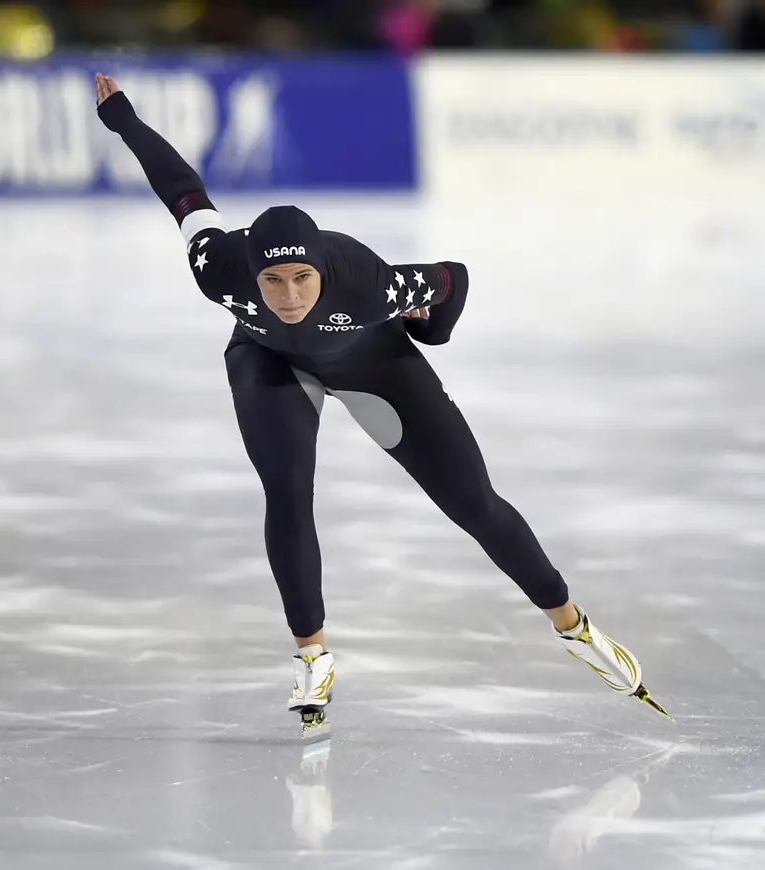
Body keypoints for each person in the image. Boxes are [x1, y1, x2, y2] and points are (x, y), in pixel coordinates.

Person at [94, 73, 671, 739]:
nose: (289, 295)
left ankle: (573, 626)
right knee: (287, 492)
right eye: (272, 281)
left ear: (322, 269)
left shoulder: (369, 285)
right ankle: (312, 656)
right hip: (268, 361)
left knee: (473, 503)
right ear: (250, 271)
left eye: (302, 278)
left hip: (371, 361)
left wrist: (432, 332)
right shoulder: (215, 264)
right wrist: (124, 120)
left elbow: (453, 279)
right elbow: (183, 191)